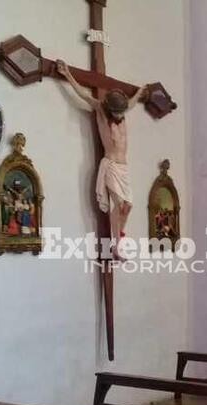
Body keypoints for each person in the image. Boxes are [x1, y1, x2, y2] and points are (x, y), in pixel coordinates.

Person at [56, 59, 148, 261]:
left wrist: (139, 93)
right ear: (109, 108)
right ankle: (116, 246)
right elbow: (82, 94)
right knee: (120, 203)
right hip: (112, 165)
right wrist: (68, 74)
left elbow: (131, 103)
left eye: (122, 111)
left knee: (128, 206)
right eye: (117, 111)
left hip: (124, 167)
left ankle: (120, 238)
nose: (121, 114)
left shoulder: (122, 113)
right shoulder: (100, 109)